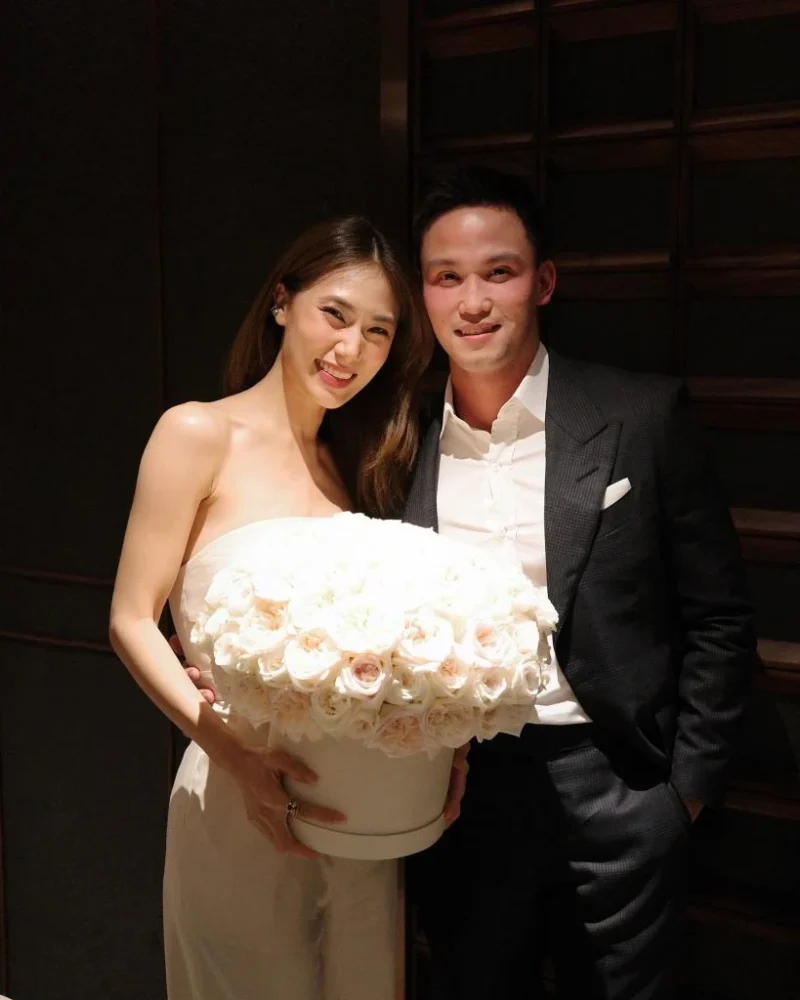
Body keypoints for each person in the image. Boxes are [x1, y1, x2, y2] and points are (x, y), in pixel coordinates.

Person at [185, 166, 756, 999]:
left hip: (617, 782)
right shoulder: (391, 443)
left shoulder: (640, 416)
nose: (474, 301)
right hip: (454, 788)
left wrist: (683, 796)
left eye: (499, 272)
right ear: (424, 295)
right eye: (447, 277)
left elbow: (719, 617)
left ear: (543, 281)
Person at [109, 215, 434, 1000]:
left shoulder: (354, 465)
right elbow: (129, 619)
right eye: (335, 314)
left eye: (378, 331)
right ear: (282, 303)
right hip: (237, 792)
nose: (350, 349)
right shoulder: (198, 431)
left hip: (359, 812)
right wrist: (238, 759)